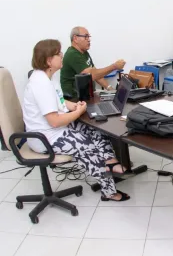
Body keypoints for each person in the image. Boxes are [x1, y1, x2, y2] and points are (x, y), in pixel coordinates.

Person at [24, 40, 131, 202]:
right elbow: (54, 121)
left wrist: (73, 106)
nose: (62, 56)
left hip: (53, 129)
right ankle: (109, 191)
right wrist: (79, 111)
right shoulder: (41, 84)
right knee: (86, 144)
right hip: (44, 138)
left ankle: (109, 161)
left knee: (95, 128)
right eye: (58, 54)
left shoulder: (47, 78)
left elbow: (59, 101)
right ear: (48, 61)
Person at [60, 26, 126, 98]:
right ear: (75, 38)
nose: (89, 40)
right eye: (86, 37)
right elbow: (91, 75)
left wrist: (110, 88)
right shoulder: (72, 54)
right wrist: (114, 66)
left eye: (89, 37)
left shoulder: (84, 52)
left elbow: (96, 74)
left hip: (89, 94)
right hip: (75, 99)